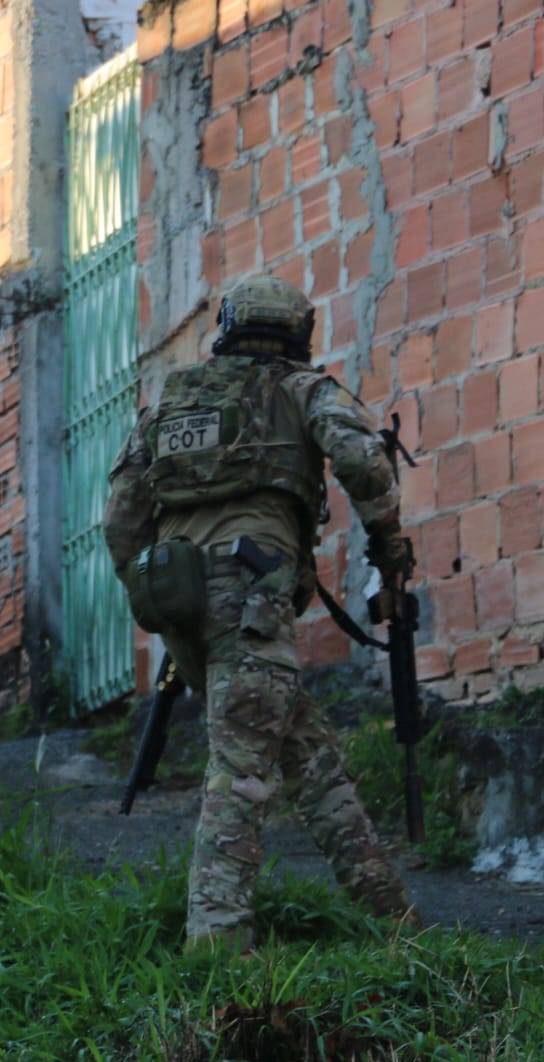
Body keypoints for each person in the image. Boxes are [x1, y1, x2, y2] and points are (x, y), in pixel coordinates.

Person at [102, 275, 417, 953]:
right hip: (249, 592)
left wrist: (146, 584)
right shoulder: (301, 389)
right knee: (240, 775)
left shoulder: (173, 400)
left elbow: (119, 514)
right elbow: (363, 460)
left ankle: (396, 924)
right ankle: (214, 953)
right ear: (296, 334)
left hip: (175, 594)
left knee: (305, 756)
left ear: (227, 326)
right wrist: (388, 546)